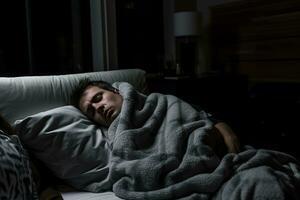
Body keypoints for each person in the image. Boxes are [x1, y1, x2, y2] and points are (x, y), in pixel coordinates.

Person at [70, 79, 240, 154]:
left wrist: (226, 132)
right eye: (91, 111)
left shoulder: (161, 102)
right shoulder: (113, 140)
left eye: (98, 98)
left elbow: (203, 116)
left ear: (115, 90)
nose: (98, 108)